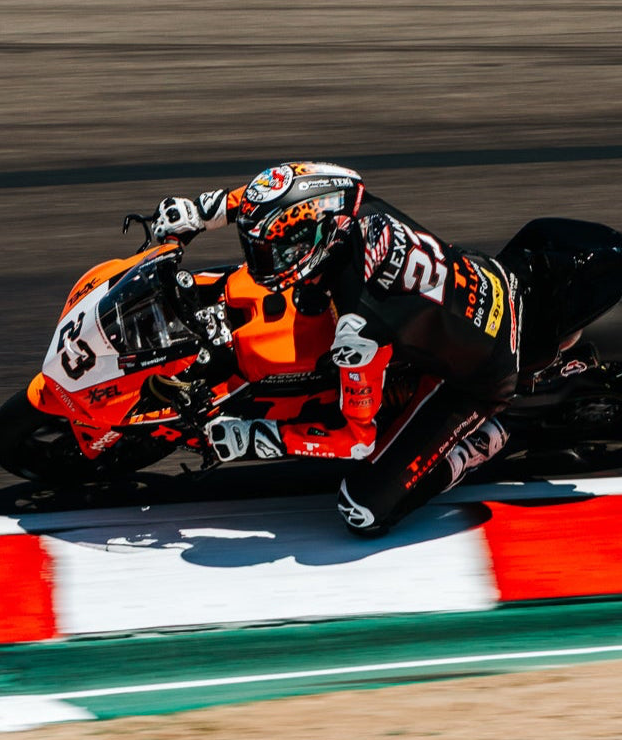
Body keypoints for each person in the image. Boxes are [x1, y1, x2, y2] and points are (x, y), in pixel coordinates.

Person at [148, 161, 520, 535]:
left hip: (475, 377)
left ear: (319, 235)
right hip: (477, 281)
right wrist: (200, 213)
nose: (261, 263)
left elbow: (357, 440)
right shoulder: (347, 199)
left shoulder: (359, 327)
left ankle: (479, 445)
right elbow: (272, 193)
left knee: (362, 510)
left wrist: (262, 437)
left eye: (274, 253)